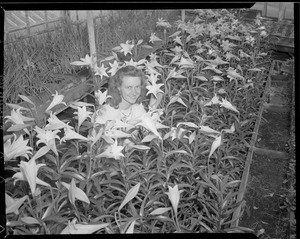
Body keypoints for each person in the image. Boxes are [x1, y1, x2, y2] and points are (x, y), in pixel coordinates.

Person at [93, 65, 162, 150]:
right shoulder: (106, 112)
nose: (134, 92)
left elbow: (148, 134)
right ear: (118, 88)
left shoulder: (138, 108)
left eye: (137, 87)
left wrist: (153, 107)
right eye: (129, 87)